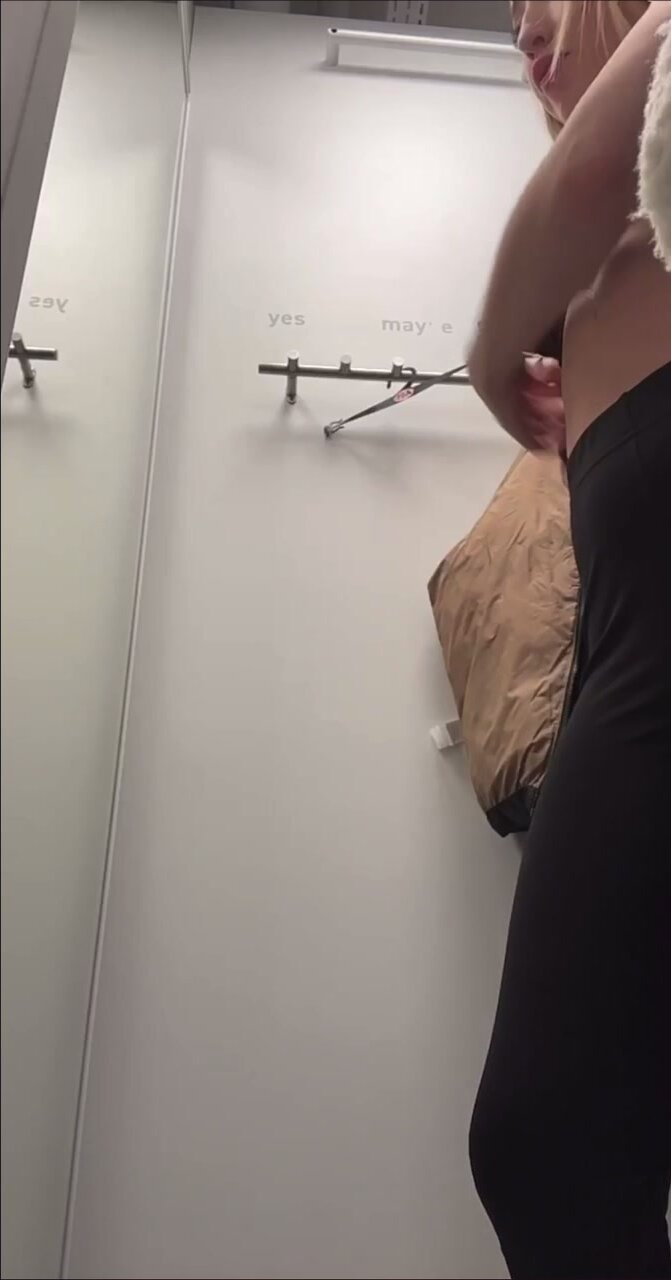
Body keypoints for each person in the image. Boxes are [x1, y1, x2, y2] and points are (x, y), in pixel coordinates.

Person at [466, 2, 671, 1277]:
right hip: (632, 667)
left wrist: (487, 347)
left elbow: (592, 166)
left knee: (544, 1136)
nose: (520, 27)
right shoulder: (595, 276)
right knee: (548, 1141)